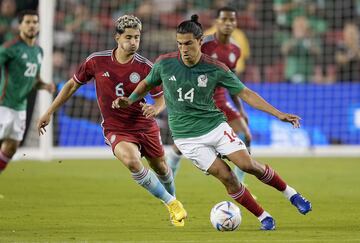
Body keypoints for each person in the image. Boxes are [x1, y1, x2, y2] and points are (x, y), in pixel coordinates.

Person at [113, 14, 312, 230]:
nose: (183, 49)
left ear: (200, 41)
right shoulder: (165, 63)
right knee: (227, 177)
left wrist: (278, 113)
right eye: (179, 44)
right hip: (187, 138)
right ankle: (264, 217)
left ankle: (291, 194)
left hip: (215, 127)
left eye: (188, 43)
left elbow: (246, 93)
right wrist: (131, 99)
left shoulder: (215, 68)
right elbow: (146, 83)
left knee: (247, 165)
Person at [37, 15, 187, 227]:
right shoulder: (96, 61)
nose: (133, 42)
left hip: (144, 125)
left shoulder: (146, 67)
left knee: (161, 168)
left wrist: (155, 108)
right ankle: (172, 203)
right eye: (128, 37)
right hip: (116, 128)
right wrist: (49, 111)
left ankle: (173, 202)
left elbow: (161, 97)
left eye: (137, 37)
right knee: (132, 162)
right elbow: (72, 85)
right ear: (117, 37)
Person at [167, 7, 252, 185]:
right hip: (200, 101)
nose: (228, 24)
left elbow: (233, 83)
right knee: (182, 144)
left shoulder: (235, 50)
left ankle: (242, 183)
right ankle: (168, 178)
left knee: (245, 135)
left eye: (232, 20)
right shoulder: (203, 44)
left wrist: (241, 110)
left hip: (220, 99)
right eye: (224, 20)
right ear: (217, 22)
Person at [0, 10, 55, 174]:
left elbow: (33, 79)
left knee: (11, 147)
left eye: (34, 22)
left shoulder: (38, 51)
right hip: (3, 104)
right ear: (20, 26)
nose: (32, 25)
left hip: (20, 107)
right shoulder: (9, 48)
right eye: (28, 22)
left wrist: (44, 85)